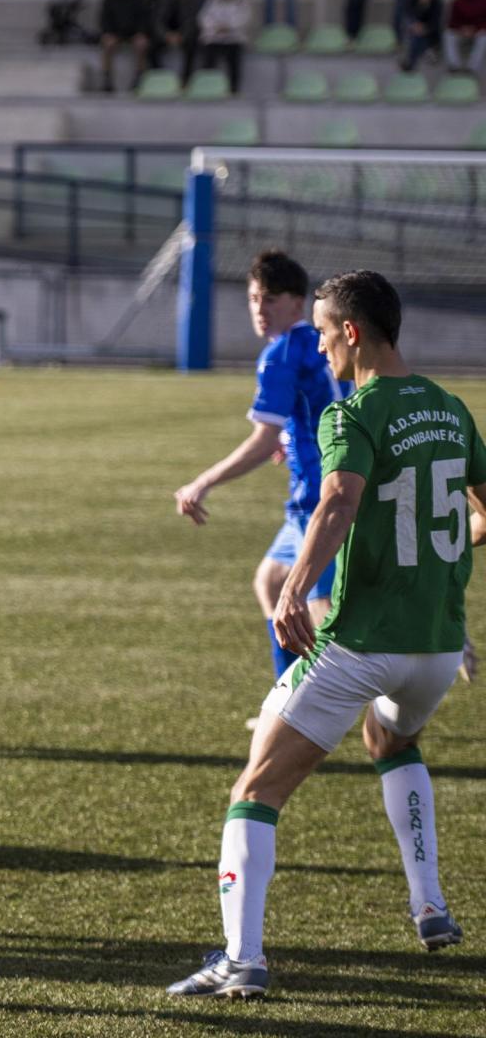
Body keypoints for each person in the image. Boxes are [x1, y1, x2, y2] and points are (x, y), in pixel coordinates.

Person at [167, 270, 476, 998]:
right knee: (390, 741)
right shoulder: (451, 408)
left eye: (324, 329)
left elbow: (336, 500)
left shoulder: (351, 412)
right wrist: (439, 547)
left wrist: (295, 588)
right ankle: (429, 904)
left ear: (354, 333)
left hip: (365, 645)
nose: (318, 341)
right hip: (436, 648)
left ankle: (242, 961)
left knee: (256, 788)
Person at [176, 251, 350, 718]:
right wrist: (293, 442)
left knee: (319, 609)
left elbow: (261, 437)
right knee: (272, 583)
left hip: (320, 498)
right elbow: (325, 409)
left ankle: (340, 698)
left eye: (270, 299)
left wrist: (202, 482)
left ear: (296, 301)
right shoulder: (320, 341)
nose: (259, 309)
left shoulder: (281, 353)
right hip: (326, 487)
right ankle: (288, 700)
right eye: (254, 298)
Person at [99, 0, 154, 91]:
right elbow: (105, 19)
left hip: (134, 34)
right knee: (107, 43)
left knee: (142, 43)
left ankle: (139, 77)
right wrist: (108, 33)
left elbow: (144, 19)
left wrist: (141, 33)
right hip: (115, 33)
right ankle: (107, 78)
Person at [198, 0, 252, 92]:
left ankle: (233, 90)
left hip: (233, 39)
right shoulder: (212, 0)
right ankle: (207, 88)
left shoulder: (242, 2)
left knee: (234, 59)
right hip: (215, 38)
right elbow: (204, 17)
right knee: (208, 58)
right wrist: (216, 27)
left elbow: (244, 19)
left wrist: (228, 27)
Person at [152, 0, 207, 83]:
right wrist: (166, 35)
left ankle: (185, 80)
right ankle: (160, 78)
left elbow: (193, 20)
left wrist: (182, 36)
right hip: (168, 34)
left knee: (192, 44)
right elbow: (159, 21)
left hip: (185, 35)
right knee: (151, 47)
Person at [444, 0, 486, 72]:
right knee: (448, 34)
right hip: (462, 32)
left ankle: (472, 68)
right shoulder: (458, 0)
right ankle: (455, 66)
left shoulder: (484, 0)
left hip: (477, 32)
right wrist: (462, 29)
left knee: (484, 36)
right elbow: (451, 22)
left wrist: (475, 29)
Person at [402, 0, 446, 69]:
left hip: (431, 30)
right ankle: (426, 51)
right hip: (416, 29)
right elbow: (411, 15)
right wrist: (422, 6)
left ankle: (411, 61)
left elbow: (436, 19)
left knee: (418, 36)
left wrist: (426, 28)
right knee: (412, 29)